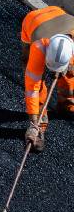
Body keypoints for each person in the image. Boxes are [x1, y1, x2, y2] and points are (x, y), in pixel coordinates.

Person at [22, 8, 74, 152]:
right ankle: (39, 126)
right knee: (34, 78)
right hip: (33, 21)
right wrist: (33, 123)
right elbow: (32, 89)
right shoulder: (39, 47)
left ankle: (68, 104)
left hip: (60, 16)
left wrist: (69, 67)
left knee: (71, 72)